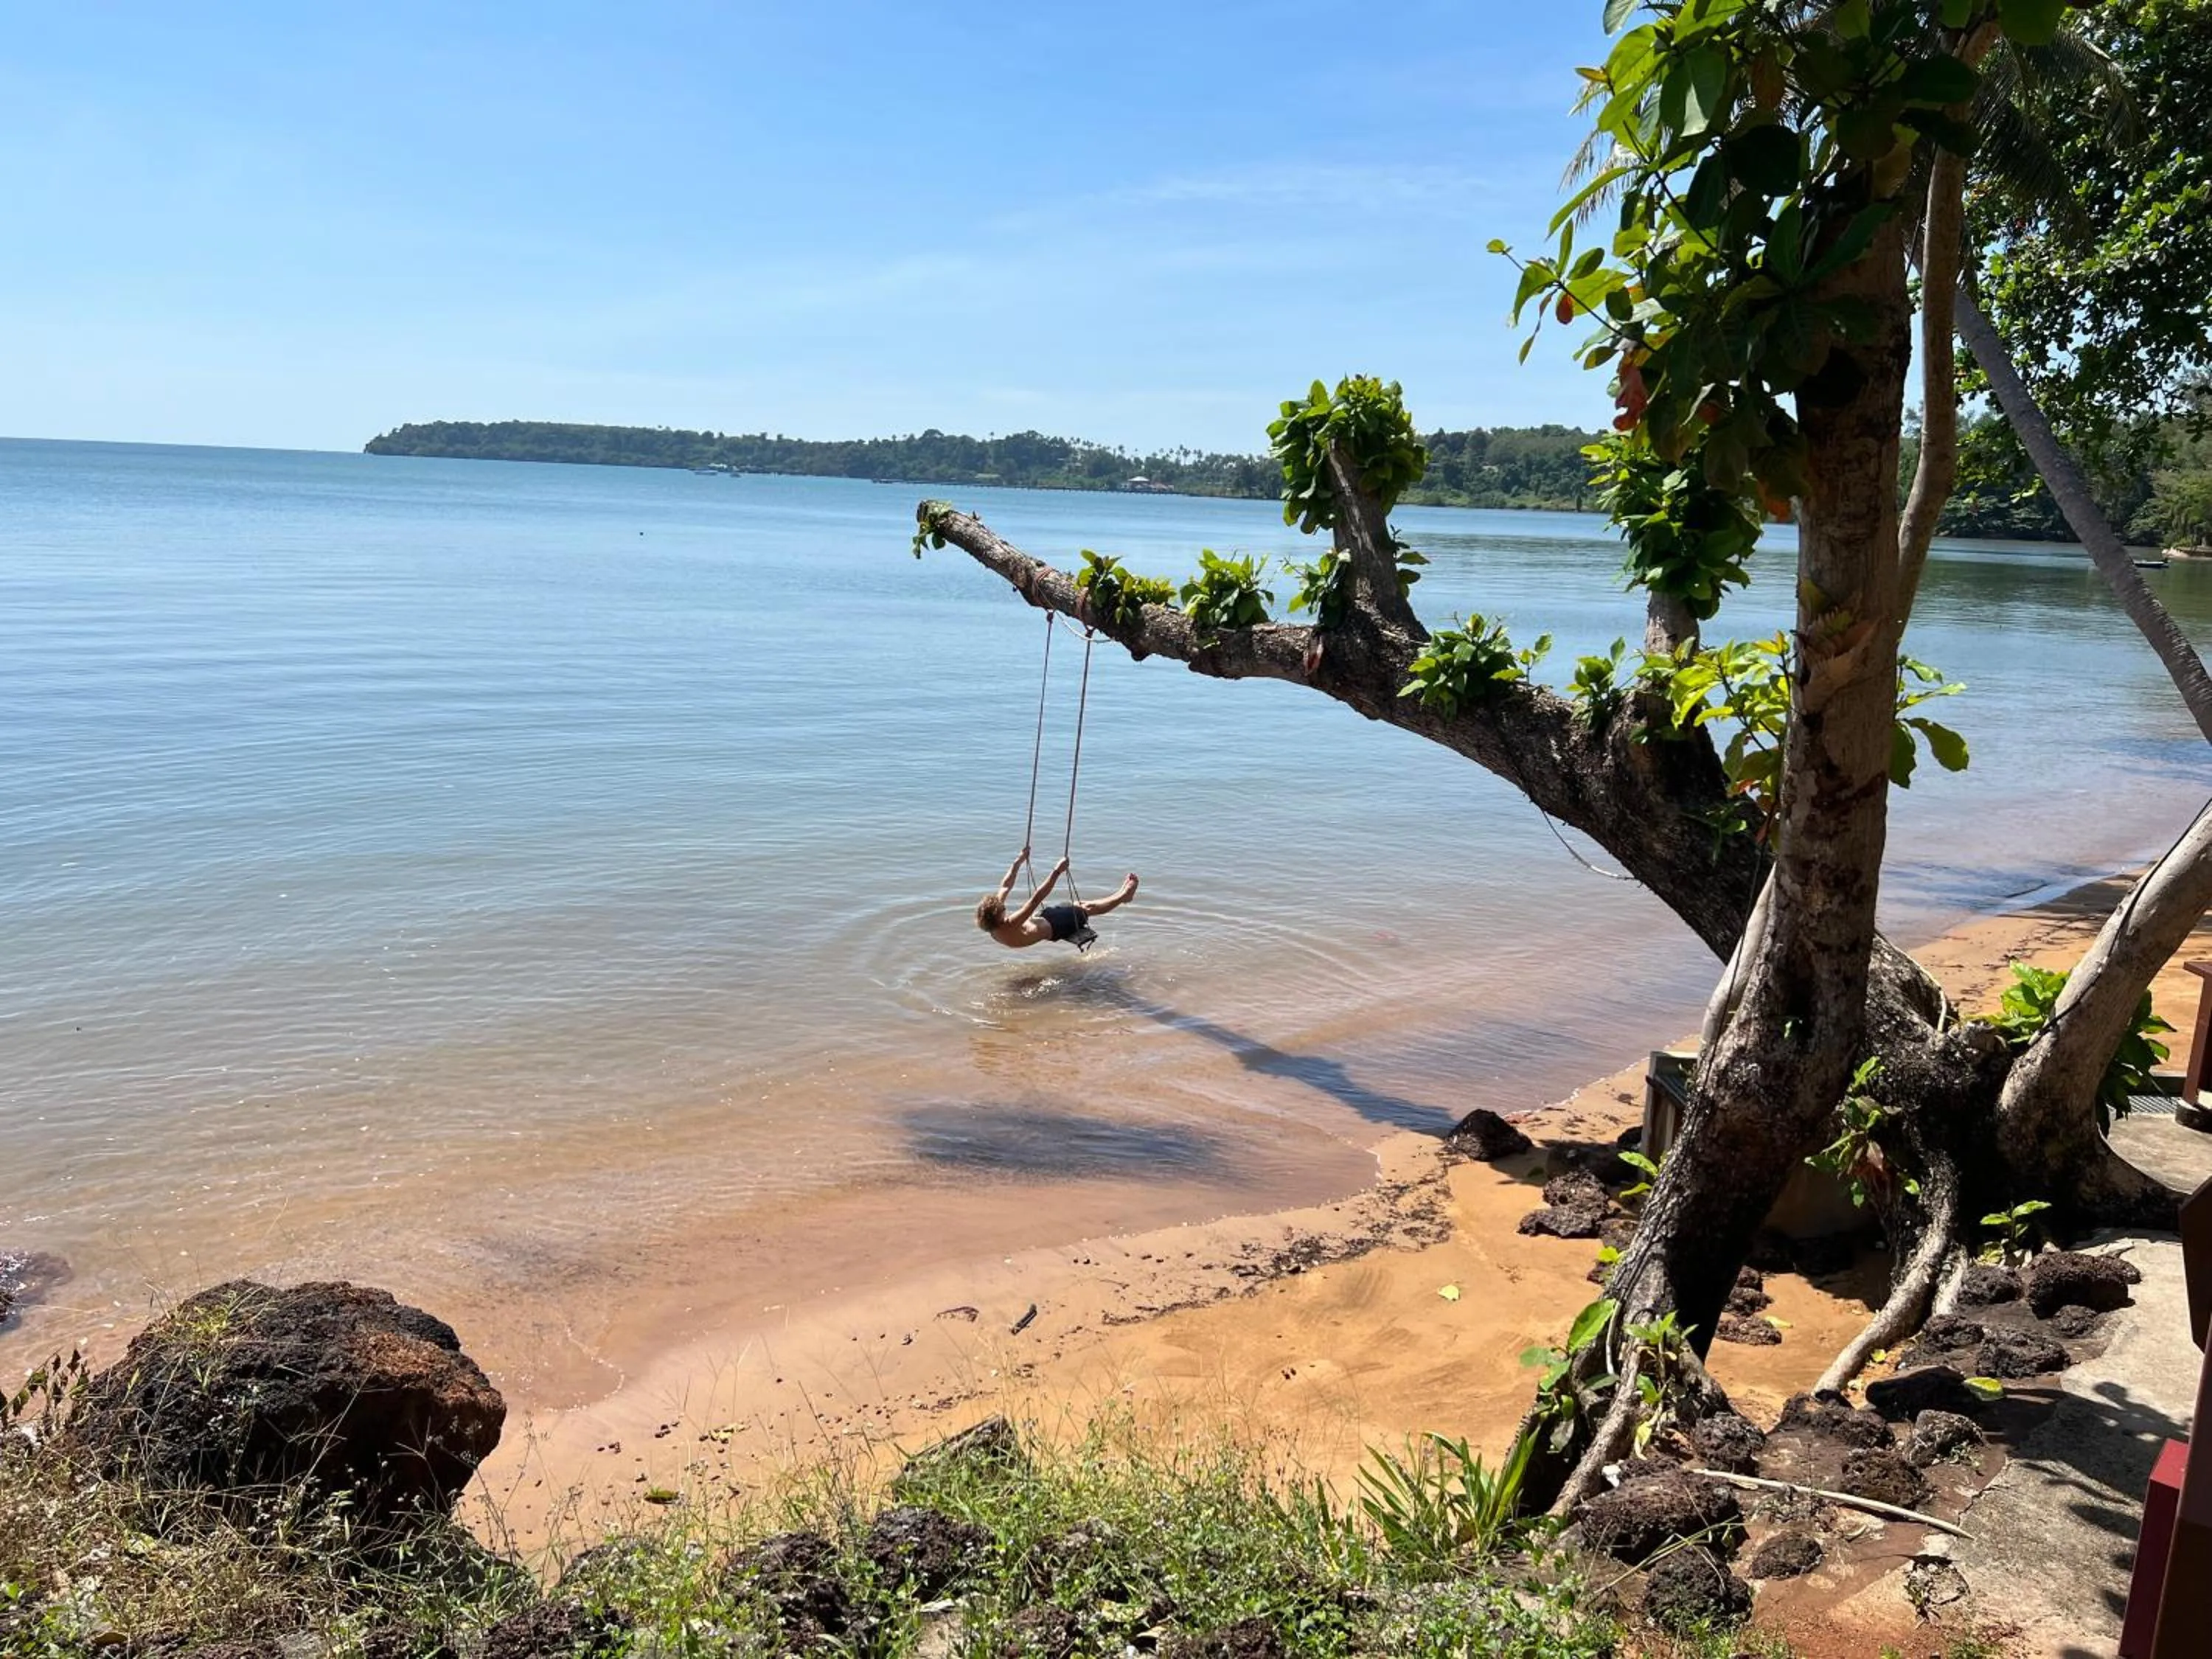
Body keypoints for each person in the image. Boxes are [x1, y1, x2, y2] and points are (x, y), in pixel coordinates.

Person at [975, 847, 1138, 950]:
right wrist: (1057, 871)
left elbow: (1005, 886)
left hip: (1042, 918)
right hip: (1055, 928)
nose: (1005, 908)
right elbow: (1035, 899)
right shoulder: (1009, 926)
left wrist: (1018, 861)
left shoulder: (991, 922)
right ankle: (1124, 896)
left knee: (1079, 905)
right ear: (998, 917)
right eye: (1003, 910)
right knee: (1087, 909)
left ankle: (1122, 895)